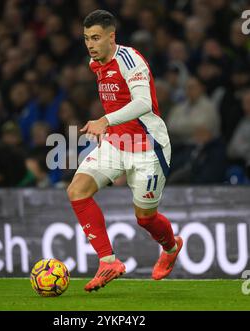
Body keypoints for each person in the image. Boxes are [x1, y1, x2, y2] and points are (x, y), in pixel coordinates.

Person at [67, 10, 183, 292]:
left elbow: (144, 102)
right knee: (77, 191)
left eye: (96, 38)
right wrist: (110, 127)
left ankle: (171, 246)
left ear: (112, 36)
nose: (90, 45)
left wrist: (105, 120)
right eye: (86, 39)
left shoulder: (130, 60)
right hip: (117, 142)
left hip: (148, 147)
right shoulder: (95, 63)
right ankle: (108, 262)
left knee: (145, 218)